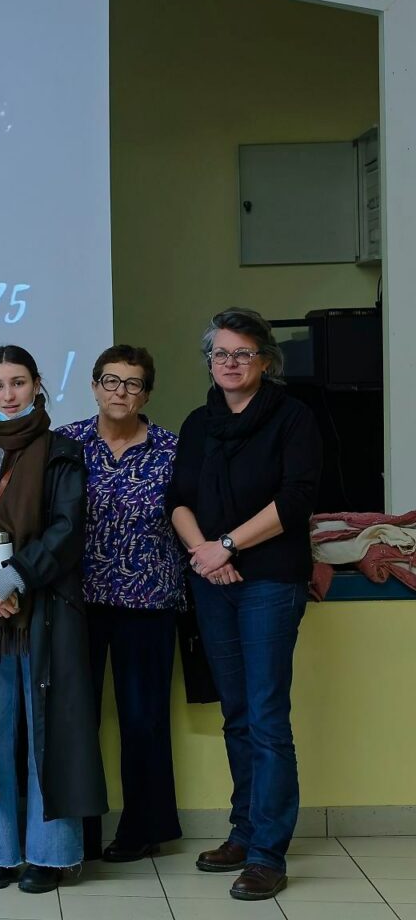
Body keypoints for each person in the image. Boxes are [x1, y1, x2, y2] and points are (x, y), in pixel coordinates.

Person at [167, 308, 321, 902]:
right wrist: (207, 554)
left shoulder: (292, 417)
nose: (230, 363)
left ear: (265, 361)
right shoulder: (199, 422)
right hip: (213, 578)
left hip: (269, 581)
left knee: (265, 715)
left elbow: (296, 499)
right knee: (235, 712)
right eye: (220, 354)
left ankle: (267, 855)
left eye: (242, 353)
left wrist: (227, 545)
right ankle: (244, 831)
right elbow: (179, 499)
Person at [0, 345, 105, 895]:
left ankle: (50, 855)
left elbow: (68, 527)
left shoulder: (62, 451)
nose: (8, 394)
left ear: (37, 384)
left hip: (46, 607)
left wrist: (16, 578)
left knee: (46, 730)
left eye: (18, 383)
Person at [57, 345, 185, 862]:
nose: (120, 392)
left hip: (148, 602)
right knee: (76, 720)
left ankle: (143, 829)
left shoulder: (171, 449)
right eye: (110, 381)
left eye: (132, 384)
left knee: (143, 719)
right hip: (77, 602)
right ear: (94, 386)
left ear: (146, 394)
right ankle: (79, 833)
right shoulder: (66, 443)